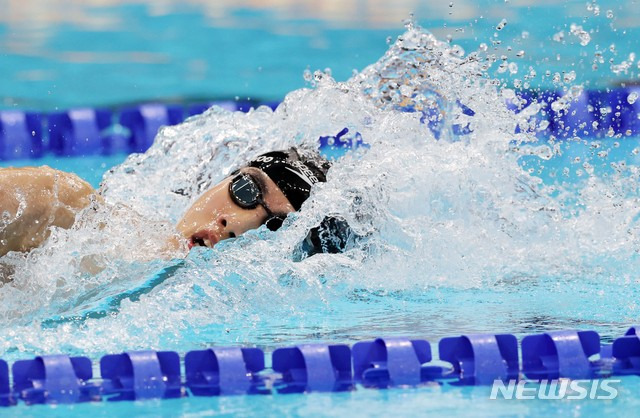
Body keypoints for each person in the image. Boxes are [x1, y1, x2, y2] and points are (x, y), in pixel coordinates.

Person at [0, 147, 341, 258]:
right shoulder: (67, 208)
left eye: (275, 226)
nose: (237, 224)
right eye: (247, 192)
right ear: (221, 179)